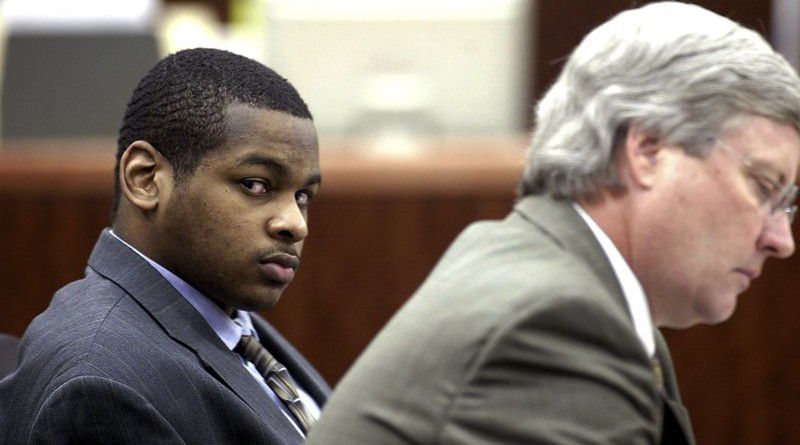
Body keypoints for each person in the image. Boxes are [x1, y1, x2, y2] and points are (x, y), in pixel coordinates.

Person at [306, 2, 800, 444]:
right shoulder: (555, 324)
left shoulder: (555, 280)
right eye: (762, 186)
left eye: (787, 205)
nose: (781, 241)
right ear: (649, 150)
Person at [0, 48, 329, 444]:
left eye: (304, 196)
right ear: (145, 178)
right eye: (256, 185)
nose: (295, 224)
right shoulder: (100, 385)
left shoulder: (231, 321)